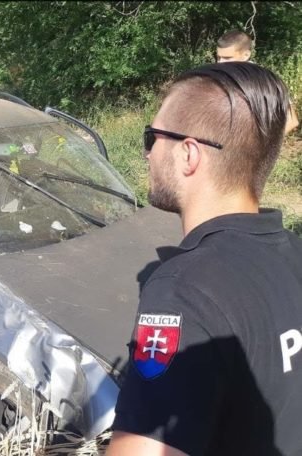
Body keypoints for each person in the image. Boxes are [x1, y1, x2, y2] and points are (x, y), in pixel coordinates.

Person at [106, 62, 302, 455]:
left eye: (152, 137)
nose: (146, 154)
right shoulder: (293, 252)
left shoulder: (183, 291)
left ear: (188, 154)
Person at [216, 30, 299, 134]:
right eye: (218, 57)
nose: (220, 63)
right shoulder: (219, 77)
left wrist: (266, 147)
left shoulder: (266, 81)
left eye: (227, 58)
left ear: (246, 55)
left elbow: (291, 121)